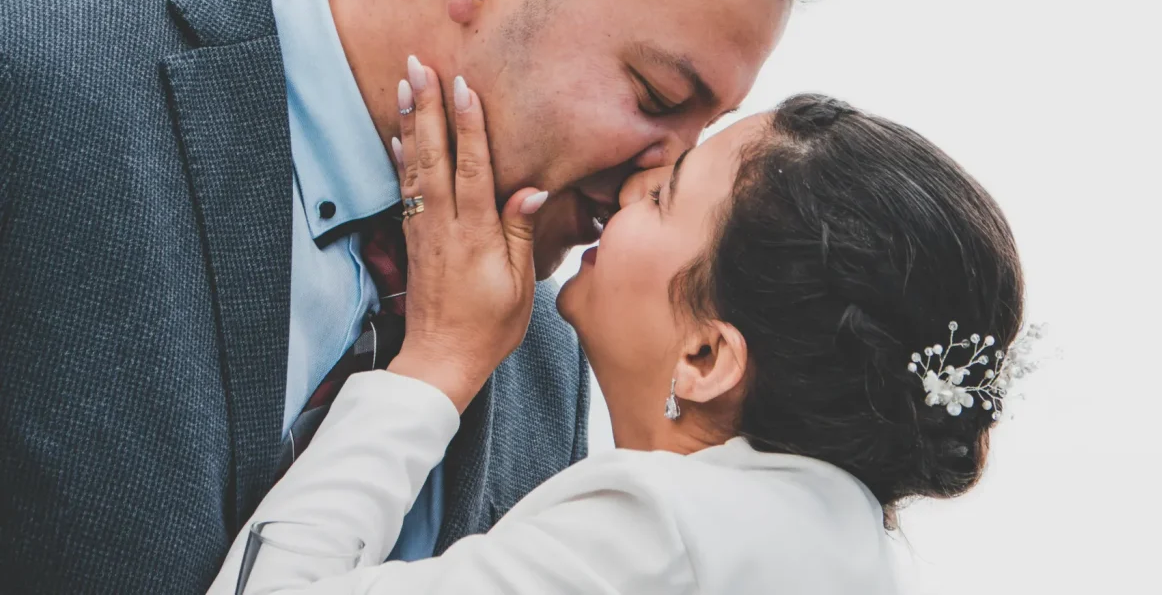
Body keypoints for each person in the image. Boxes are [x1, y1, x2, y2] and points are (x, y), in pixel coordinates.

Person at [0, 0, 839, 593]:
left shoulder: (550, 356)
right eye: (658, 98)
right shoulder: (28, 67)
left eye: (704, 131)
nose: (650, 179)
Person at [206, 71, 1028, 594]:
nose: (633, 182)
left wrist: (439, 362)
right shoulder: (844, 552)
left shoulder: (656, 534)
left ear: (706, 356)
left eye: (667, 194)